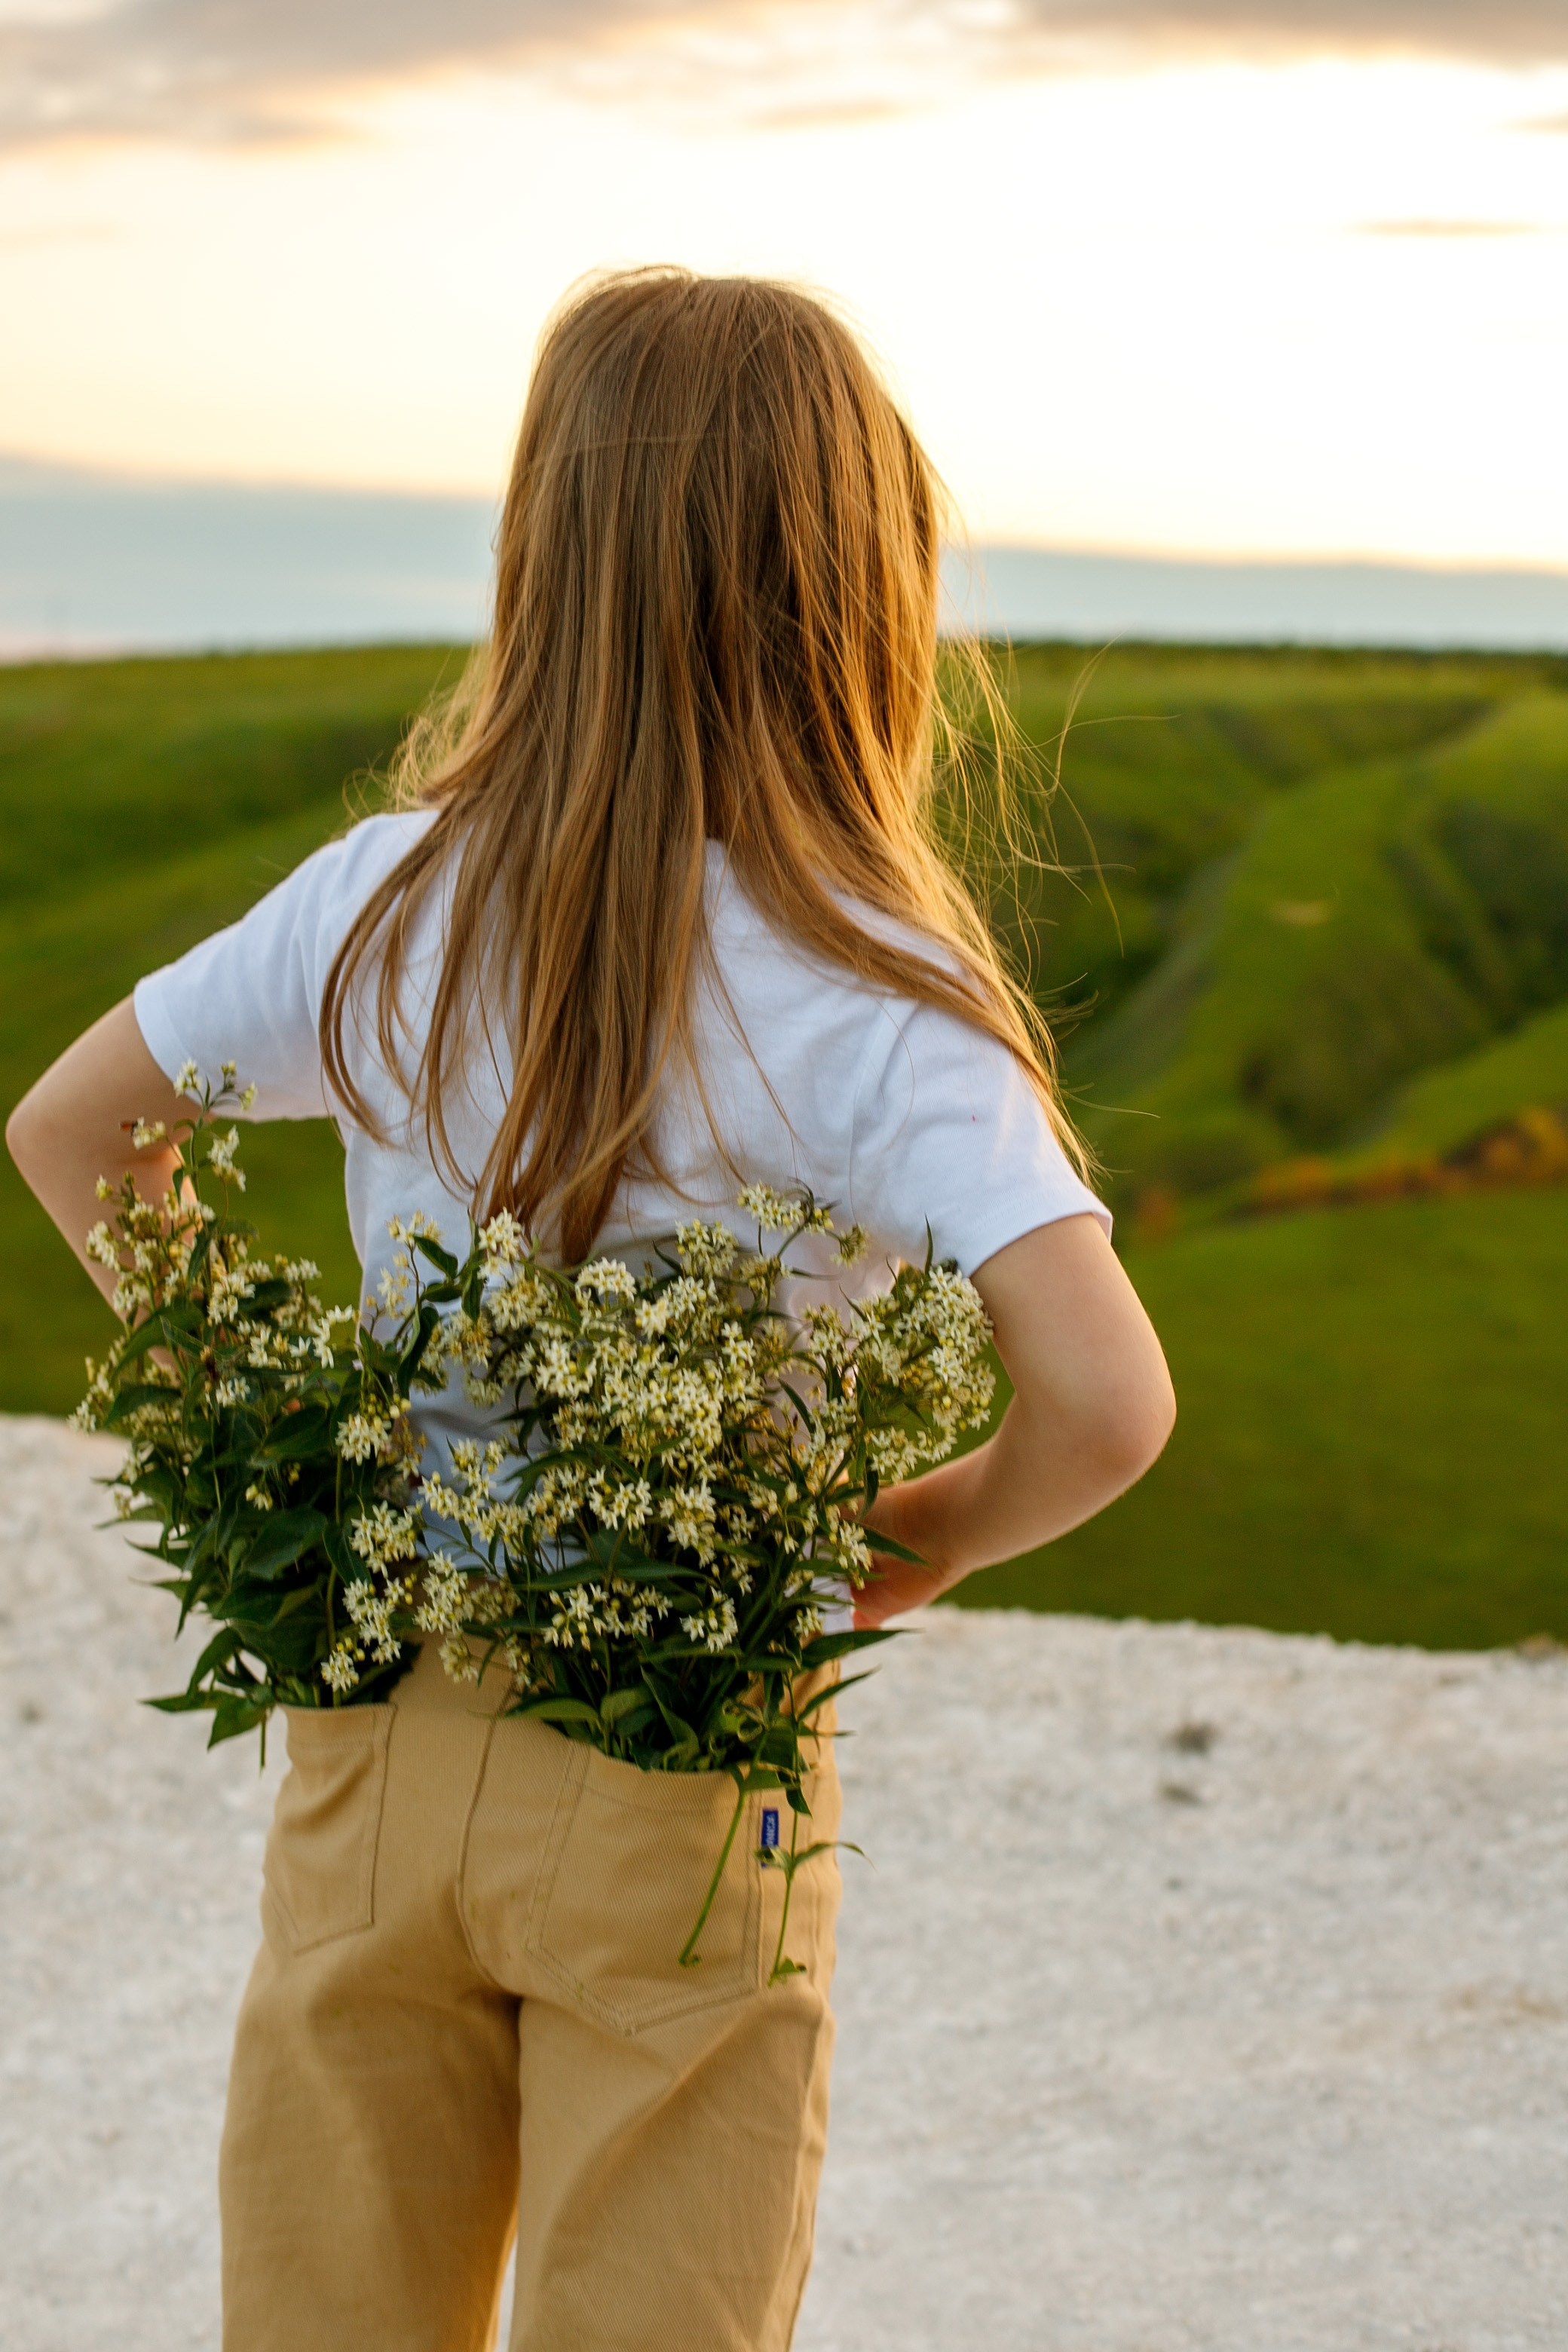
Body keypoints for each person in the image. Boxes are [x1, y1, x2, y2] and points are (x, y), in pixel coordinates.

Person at [7, 268, 1174, 2352]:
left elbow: (75, 1132)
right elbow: (1103, 1402)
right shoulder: (886, 1004)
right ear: (867, 589)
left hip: (379, 1726)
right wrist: (908, 1538)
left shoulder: (388, 895)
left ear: (535, 564)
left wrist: (277, 1444)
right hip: (674, 1746)